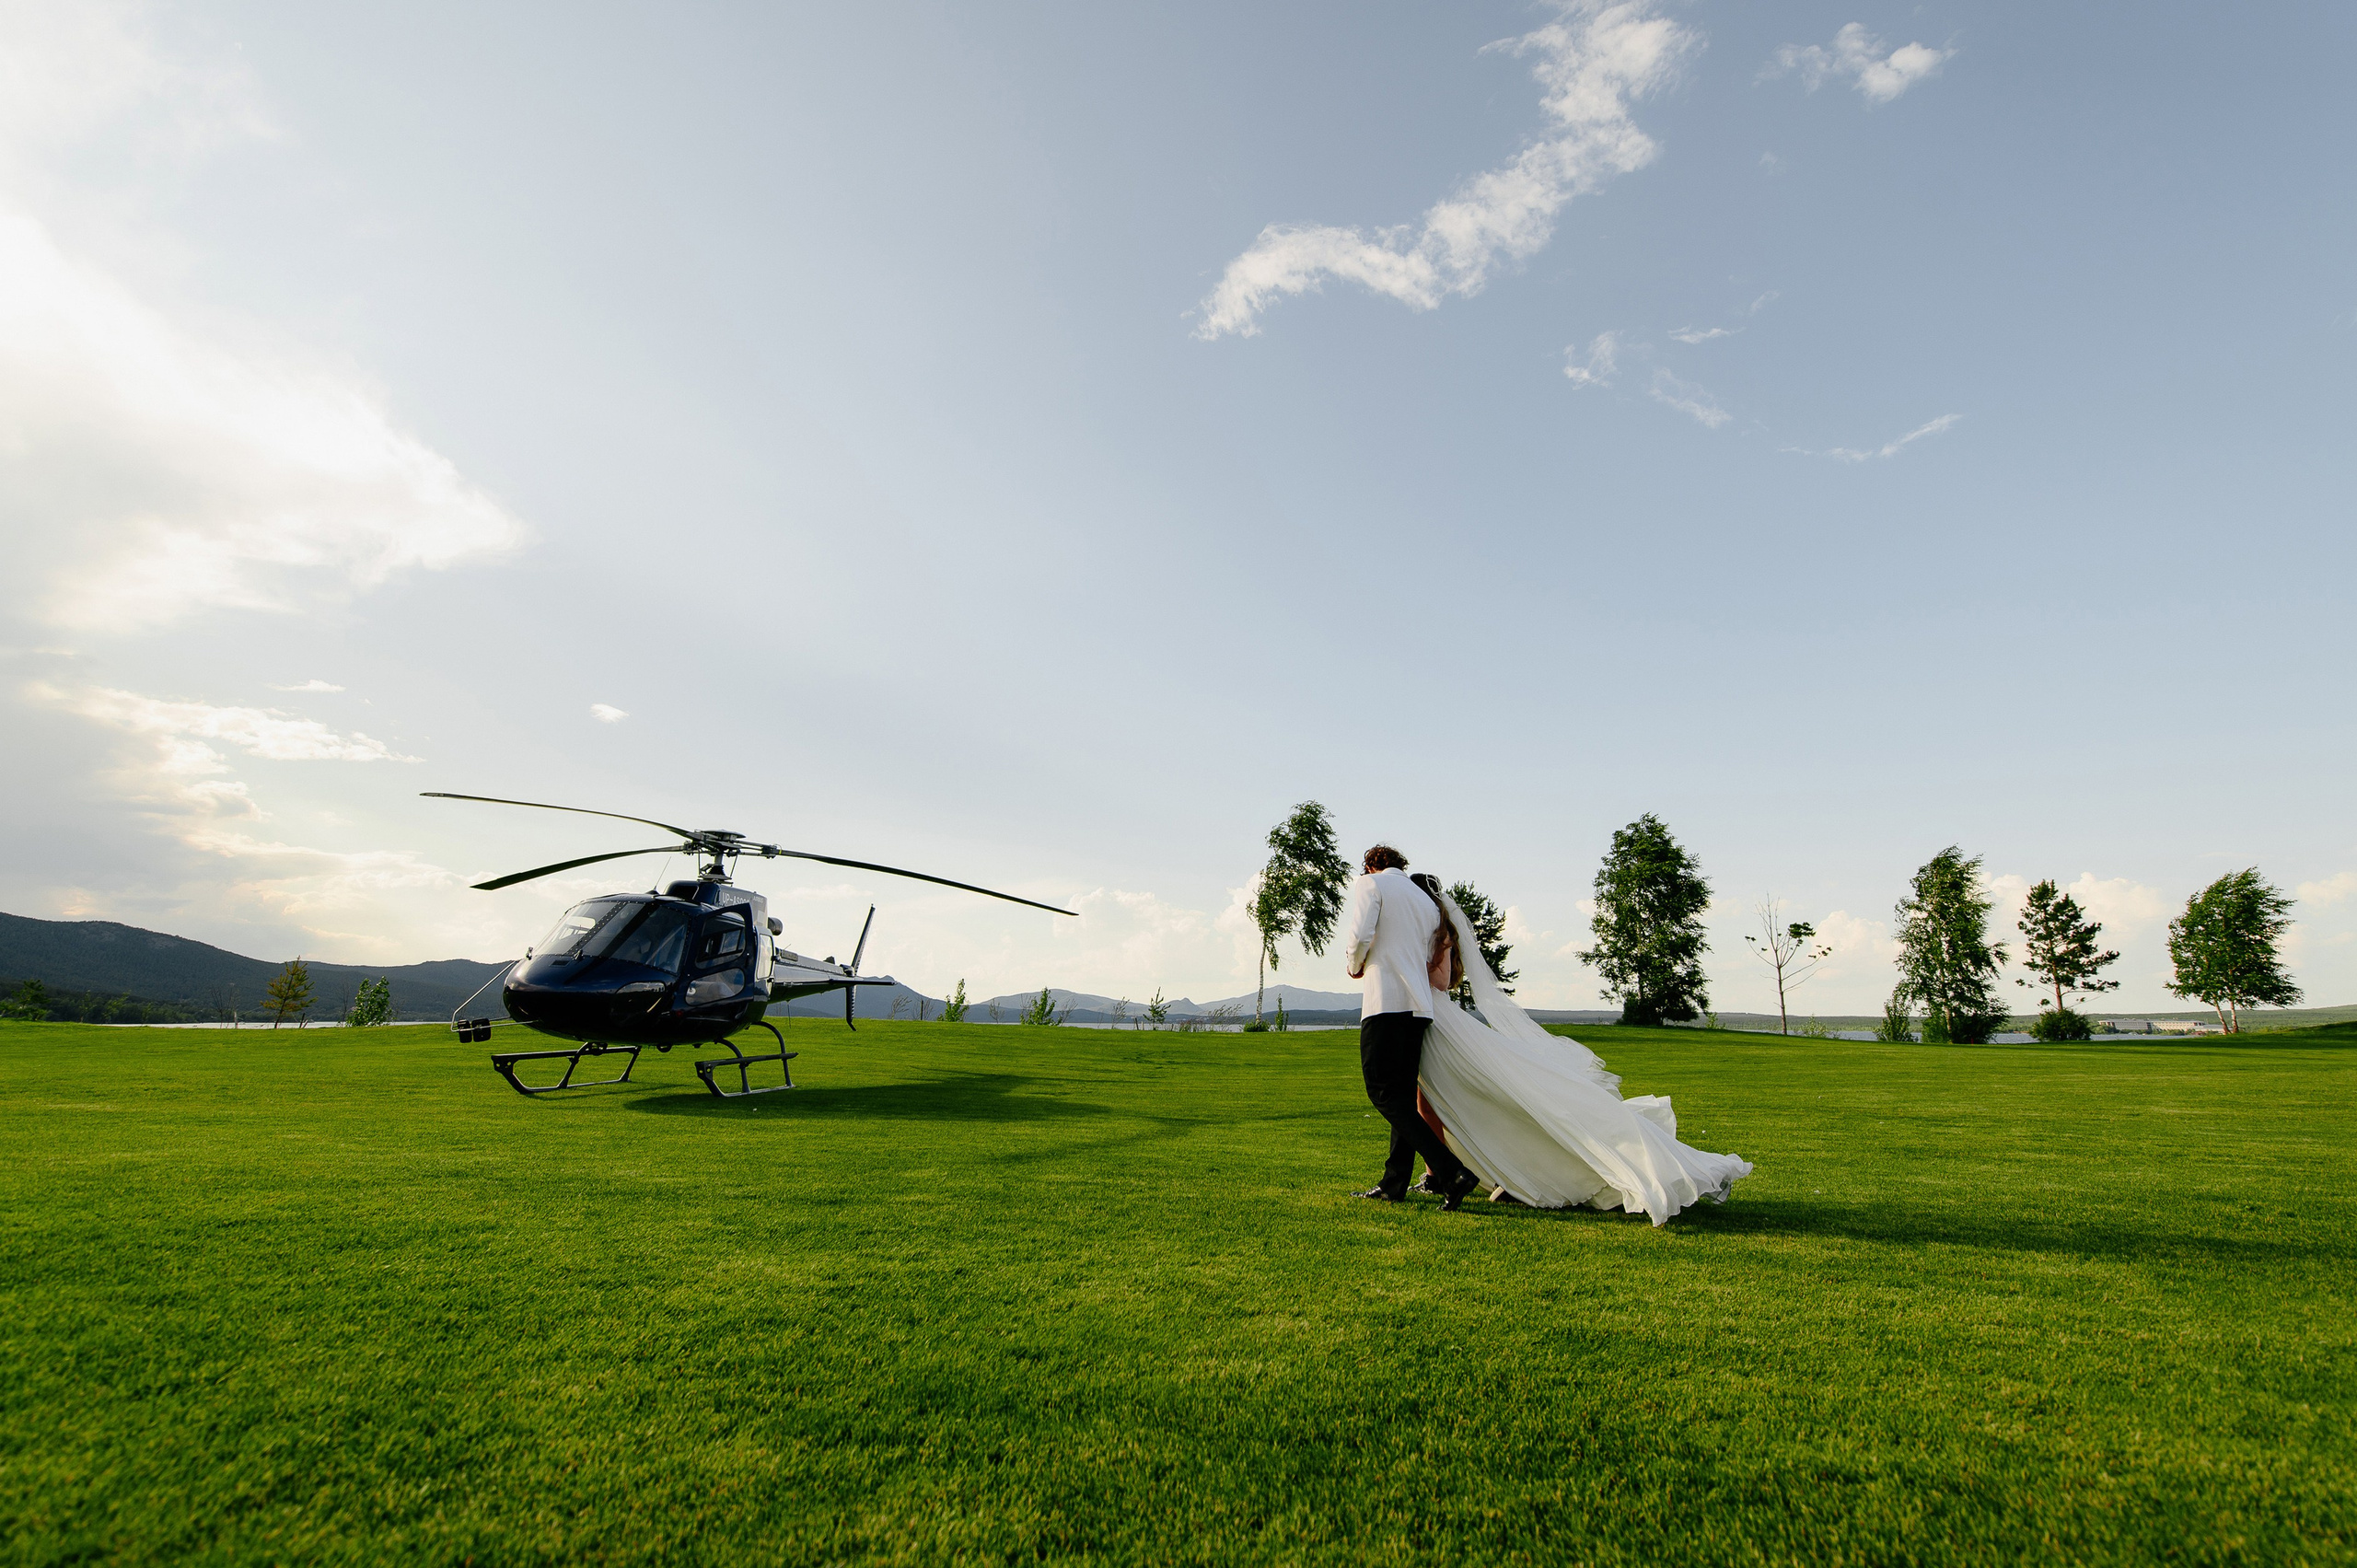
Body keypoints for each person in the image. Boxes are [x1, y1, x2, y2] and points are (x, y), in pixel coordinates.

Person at [1411, 876, 1753, 1225]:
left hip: (1441, 1023)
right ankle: (1440, 1172)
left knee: (1489, 1097)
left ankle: (1508, 1171)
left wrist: (1406, 968)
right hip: (1432, 1021)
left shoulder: (1440, 933)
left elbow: (1440, 981)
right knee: (1433, 1101)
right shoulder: (1422, 929)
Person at [1342, 844, 1483, 1210]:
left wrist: (1354, 965)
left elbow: (1360, 937)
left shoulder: (1370, 885)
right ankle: (1394, 1184)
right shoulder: (1424, 902)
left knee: (1381, 1092)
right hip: (1419, 1007)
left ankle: (1451, 1172)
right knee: (1402, 1095)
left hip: (1385, 1001)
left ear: (1372, 865)